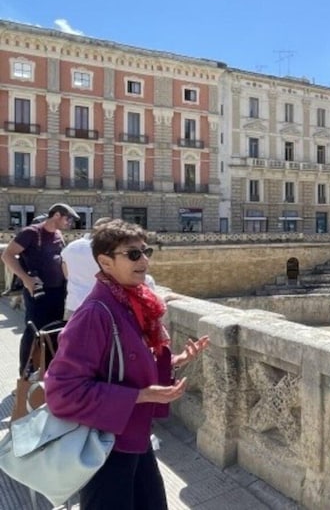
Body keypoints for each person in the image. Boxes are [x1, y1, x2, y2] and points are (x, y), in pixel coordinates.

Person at [43, 219, 210, 509]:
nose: (144, 260)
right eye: (133, 254)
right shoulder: (95, 314)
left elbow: (125, 361)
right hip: (104, 446)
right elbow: (61, 392)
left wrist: (174, 361)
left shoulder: (130, 302)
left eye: (146, 252)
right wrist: (141, 396)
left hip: (133, 435)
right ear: (106, 262)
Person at [1, 202, 79, 375]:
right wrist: (26, 279)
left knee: (53, 332)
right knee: (33, 332)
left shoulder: (58, 234)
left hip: (58, 291)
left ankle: (47, 372)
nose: (70, 223)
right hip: (37, 292)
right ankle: (25, 374)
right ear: (57, 215)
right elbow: (7, 255)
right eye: (69, 218)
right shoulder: (31, 232)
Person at [61, 217, 113, 319]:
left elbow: (66, 273)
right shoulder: (107, 251)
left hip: (74, 305)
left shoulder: (72, 246)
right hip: (101, 307)